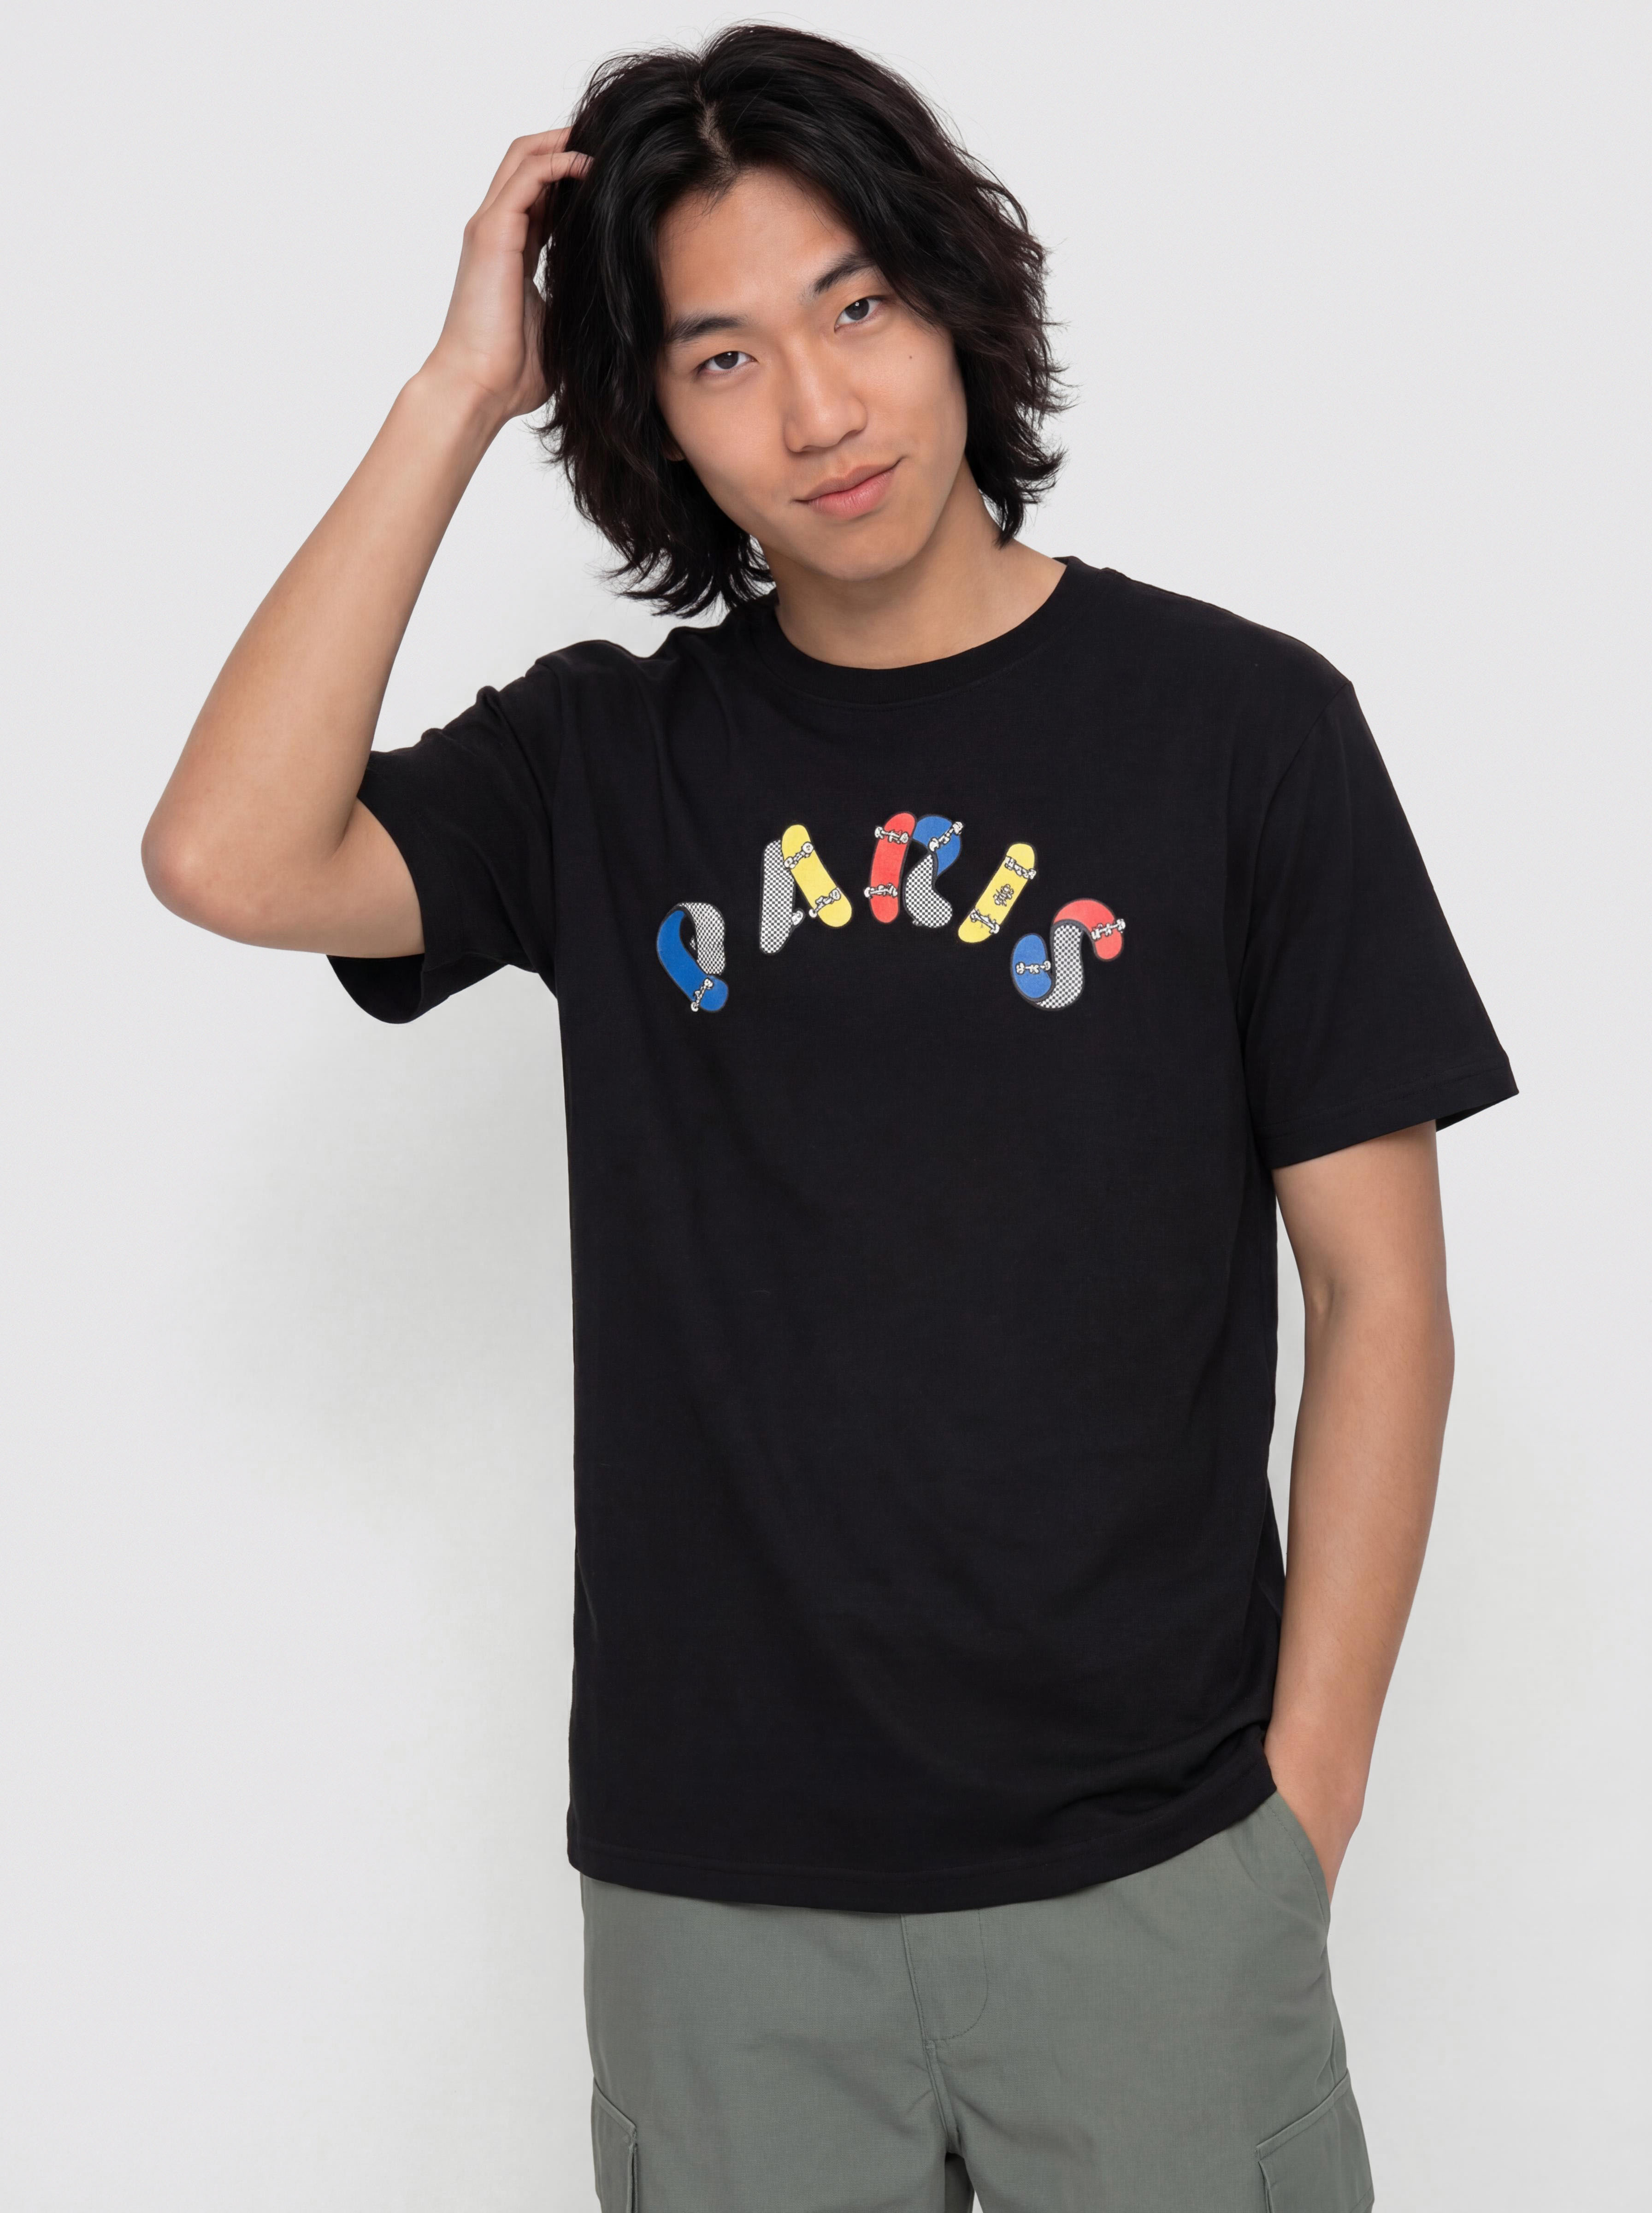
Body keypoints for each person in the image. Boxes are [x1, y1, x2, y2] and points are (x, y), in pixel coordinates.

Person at [142, 24, 1516, 2211]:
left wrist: (1301, 1806)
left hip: (1152, 1874)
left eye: (854, 305)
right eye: (718, 357)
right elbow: (228, 855)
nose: (814, 410)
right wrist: (457, 391)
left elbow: (1379, 1298)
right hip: (716, 1905)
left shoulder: (1239, 732)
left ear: (954, 298)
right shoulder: (602, 765)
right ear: (652, 418)